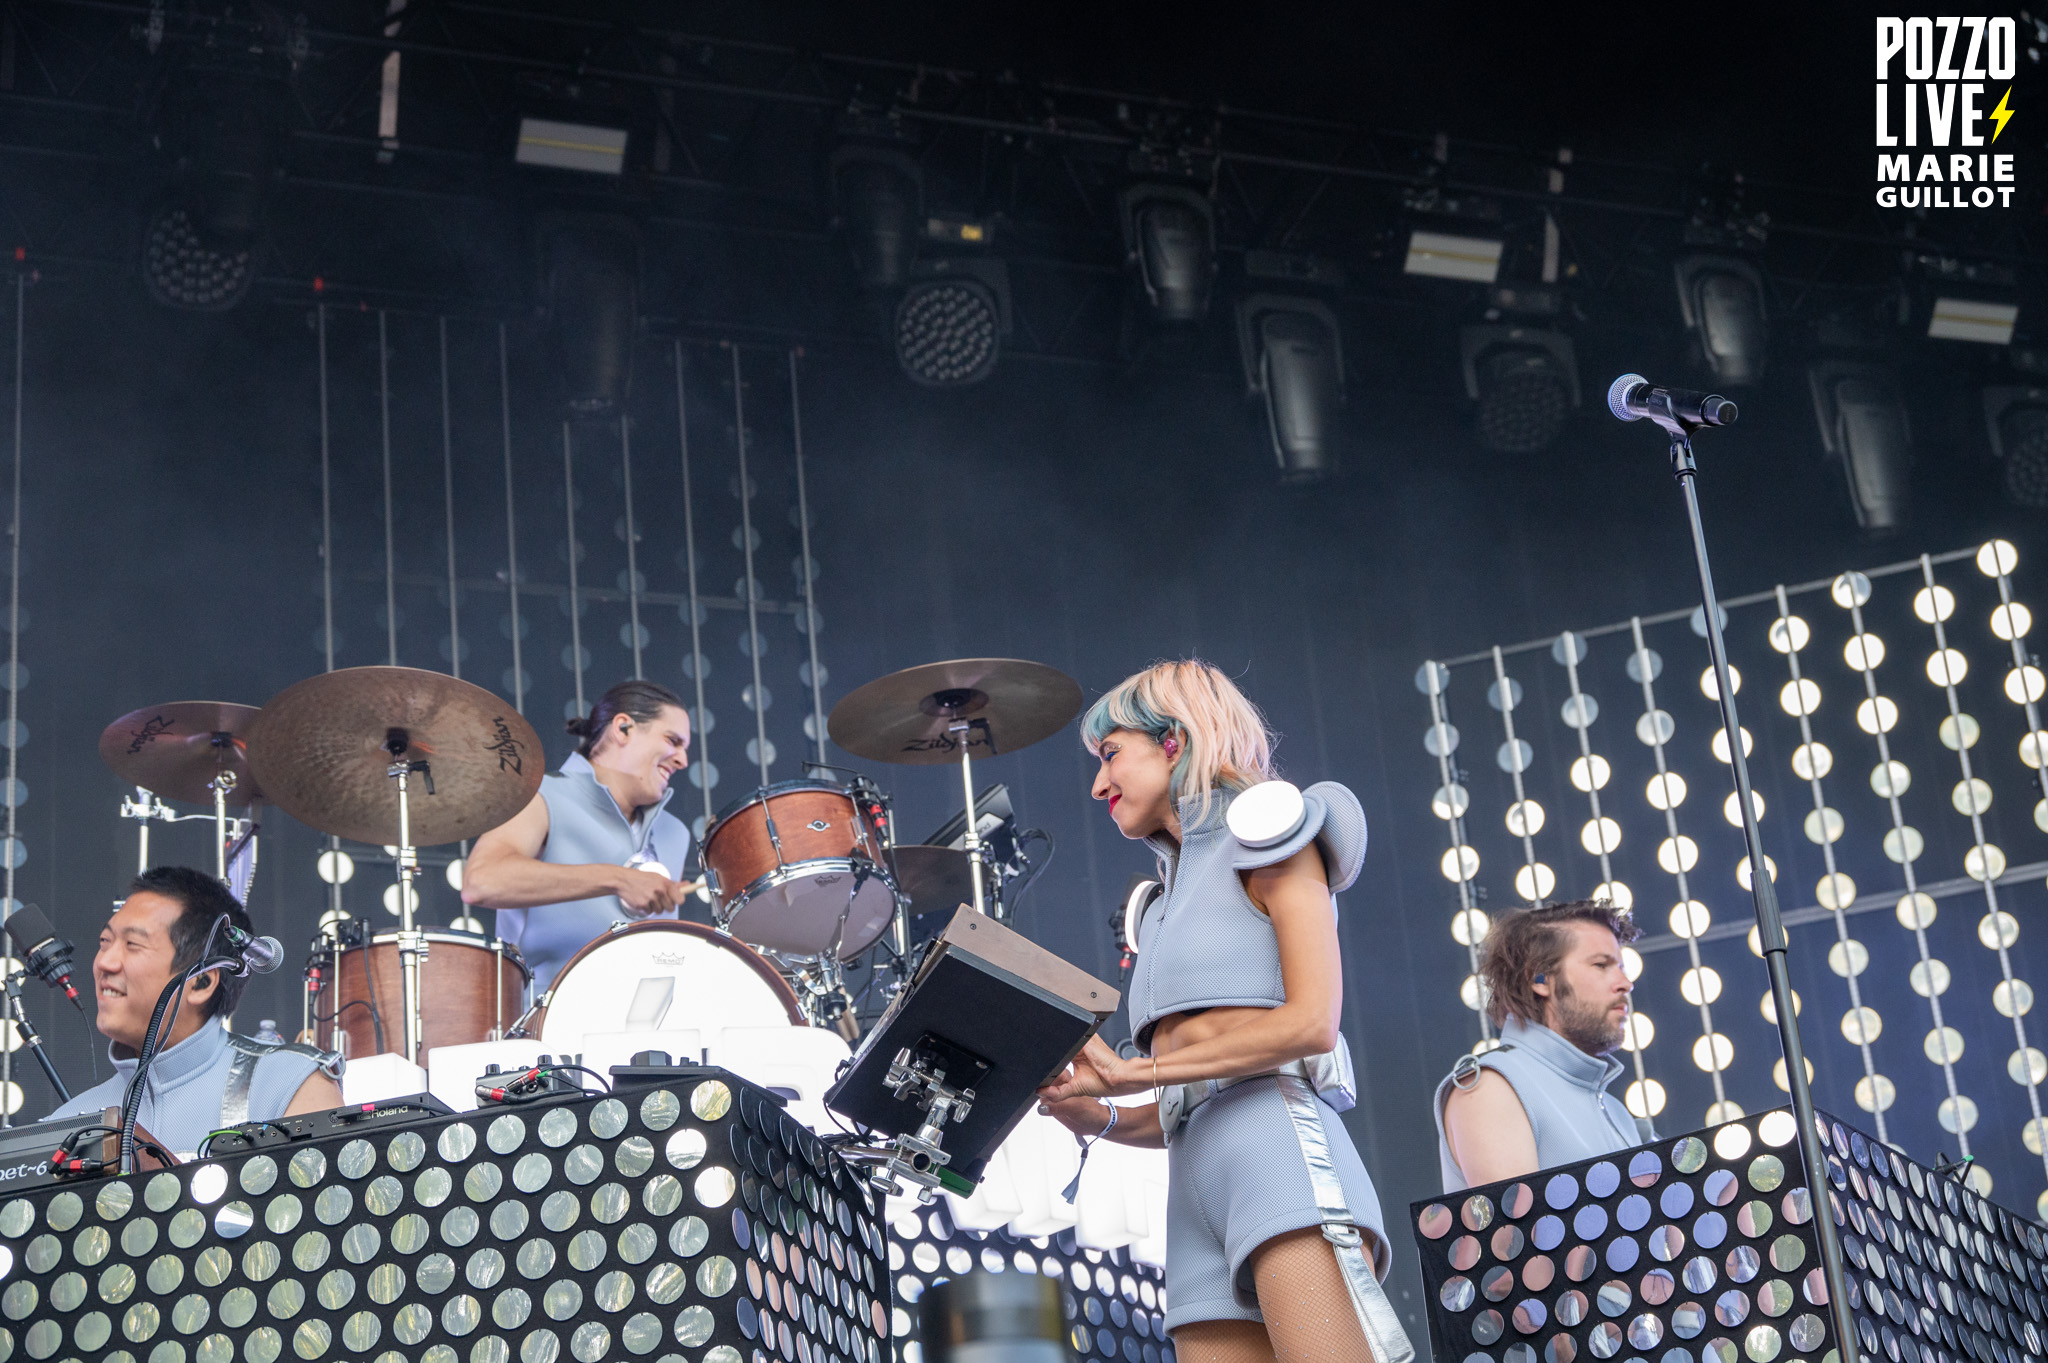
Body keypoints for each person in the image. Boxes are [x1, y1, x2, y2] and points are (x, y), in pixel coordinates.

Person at [1036, 660, 1412, 1363]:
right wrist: (1102, 1114)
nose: (1097, 783)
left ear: (1173, 740)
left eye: (1111, 753)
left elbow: (1309, 1024)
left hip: (1277, 1153)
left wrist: (1136, 1072)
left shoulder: (1273, 839)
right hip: (1192, 1190)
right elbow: (1192, 1096)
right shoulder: (1165, 896)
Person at [48, 866, 343, 1155]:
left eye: (133, 945)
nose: (104, 963)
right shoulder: (62, 1127)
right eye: (105, 942)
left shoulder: (289, 1083)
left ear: (200, 982)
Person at [463, 679, 699, 991]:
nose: (683, 760)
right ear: (623, 728)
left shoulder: (675, 834)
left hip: (650, 1030)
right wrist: (618, 879)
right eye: (672, 741)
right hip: (544, 1025)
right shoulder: (540, 794)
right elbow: (482, 881)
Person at [1435, 900, 1651, 1191]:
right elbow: (1519, 1235)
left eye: (1621, 968)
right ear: (1540, 979)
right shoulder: (1490, 1087)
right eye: (1601, 965)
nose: (1626, 983)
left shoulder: (1619, 1114)